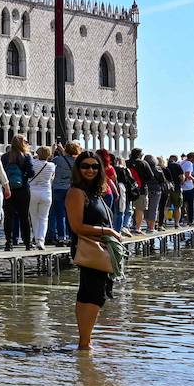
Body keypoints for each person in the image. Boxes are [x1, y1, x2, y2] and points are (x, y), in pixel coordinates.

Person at [66, 150, 120, 350]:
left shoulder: (95, 192)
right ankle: (85, 344)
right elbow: (76, 226)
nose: (90, 170)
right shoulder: (76, 192)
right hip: (89, 248)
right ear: (78, 169)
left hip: (99, 247)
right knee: (94, 294)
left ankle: (85, 341)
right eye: (85, 166)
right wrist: (109, 231)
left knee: (90, 292)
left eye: (95, 166)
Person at [1, 136, 34, 251]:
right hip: (23, 189)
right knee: (24, 216)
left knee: (8, 216)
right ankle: (27, 243)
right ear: (22, 144)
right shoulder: (26, 156)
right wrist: (23, 176)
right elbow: (31, 173)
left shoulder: (5, 157)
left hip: (8, 190)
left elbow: (2, 173)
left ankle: (8, 243)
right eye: (26, 141)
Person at [48, 142, 80, 245]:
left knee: (60, 214)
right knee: (70, 214)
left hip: (58, 189)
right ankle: (71, 237)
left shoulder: (58, 159)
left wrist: (53, 151)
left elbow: (48, 163)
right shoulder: (77, 161)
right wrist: (64, 151)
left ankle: (62, 237)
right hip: (70, 189)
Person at [27, 146, 56, 249]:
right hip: (46, 193)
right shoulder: (52, 165)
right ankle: (41, 240)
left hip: (33, 192)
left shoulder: (33, 163)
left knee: (34, 217)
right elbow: (52, 178)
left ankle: (36, 238)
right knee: (44, 218)